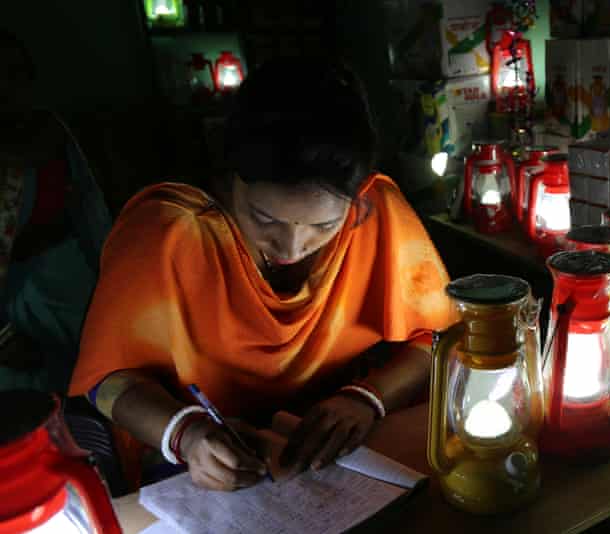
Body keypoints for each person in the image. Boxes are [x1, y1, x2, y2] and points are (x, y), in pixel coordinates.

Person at [68, 57, 456, 492]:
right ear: (228, 178)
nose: (291, 248)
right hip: (198, 460)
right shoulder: (171, 235)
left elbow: (438, 335)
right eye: (264, 218)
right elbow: (106, 381)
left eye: (323, 227)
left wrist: (368, 397)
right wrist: (187, 433)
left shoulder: (376, 213)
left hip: (331, 449)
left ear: (357, 196)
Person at [0, 28, 112, 393]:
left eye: (17, 74)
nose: (8, 86)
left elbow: (89, 208)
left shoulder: (52, 132)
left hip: (67, 277)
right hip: (10, 298)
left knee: (93, 373)